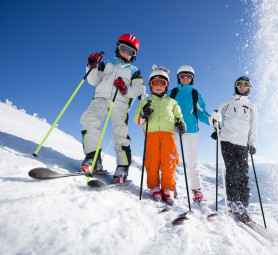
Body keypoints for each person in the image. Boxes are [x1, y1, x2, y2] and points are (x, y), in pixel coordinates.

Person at [79, 34, 146, 184]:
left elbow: (139, 89)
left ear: (134, 56)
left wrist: (125, 89)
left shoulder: (134, 70)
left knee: (120, 132)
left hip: (120, 102)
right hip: (101, 98)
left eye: (130, 52)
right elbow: (93, 80)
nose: (126, 54)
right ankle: (93, 158)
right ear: (117, 48)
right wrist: (91, 66)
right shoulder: (107, 63)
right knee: (89, 121)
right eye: (124, 49)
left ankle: (122, 167)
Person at [134, 65, 186, 205]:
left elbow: (178, 117)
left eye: (162, 83)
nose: (158, 86)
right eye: (154, 83)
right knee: (152, 161)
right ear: (150, 85)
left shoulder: (172, 102)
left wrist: (180, 123)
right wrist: (143, 114)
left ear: (166, 86)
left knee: (169, 161)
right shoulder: (145, 102)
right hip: (151, 135)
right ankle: (154, 187)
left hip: (168, 135)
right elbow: (137, 120)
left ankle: (168, 188)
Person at [209, 76, 258, 221]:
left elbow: (254, 128)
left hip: (243, 143)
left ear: (249, 87)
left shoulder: (252, 107)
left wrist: (253, 143)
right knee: (233, 170)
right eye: (239, 84)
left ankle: (244, 202)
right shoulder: (226, 103)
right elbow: (216, 118)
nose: (242, 86)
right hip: (227, 140)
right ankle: (234, 201)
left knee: (244, 172)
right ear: (235, 86)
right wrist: (215, 129)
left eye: (245, 84)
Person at [167, 65, 214, 203]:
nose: (186, 79)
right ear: (178, 78)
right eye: (183, 76)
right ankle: (171, 186)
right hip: (174, 130)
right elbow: (165, 109)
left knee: (192, 162)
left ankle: (197, 190)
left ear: (192, 78)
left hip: (191, 132)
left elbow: (201, 112)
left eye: (189, 76)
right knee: (171, 160)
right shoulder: (172, 92)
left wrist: (211, 119)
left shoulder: (195, 94)